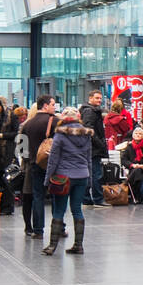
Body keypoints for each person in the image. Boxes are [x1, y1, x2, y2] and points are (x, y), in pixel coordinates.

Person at [42, 107, 93, 255]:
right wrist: (89, 178)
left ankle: (52, 246)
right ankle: (78, 245)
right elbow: (88, 158)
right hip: (82, 175)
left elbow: (53, 160)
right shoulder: (87, 134)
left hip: (63, 177)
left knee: (59, 210)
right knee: (77, 209)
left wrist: (47, 180)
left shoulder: (60, 134)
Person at [19, 96, 58, 238]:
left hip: (35, 164)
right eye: (53, 104)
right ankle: (58, 228)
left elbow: (21, 148)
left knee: (38, 197)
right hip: (53, 166)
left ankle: (38, 230)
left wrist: (29, 160)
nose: (55, 107)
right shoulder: (54, 121)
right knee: (56, 197)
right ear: (45, 106)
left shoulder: (27, 124)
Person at [79, 90, 108, 208]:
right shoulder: (90, 111)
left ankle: (87, 198)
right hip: (93, 148)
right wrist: (100, 143)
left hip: (91, 147)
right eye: (97, 98)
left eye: (100, 98)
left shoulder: (90, 110)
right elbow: (88, 129)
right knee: (96, 174)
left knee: (91, 173)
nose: (99, 100)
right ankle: (97, 198)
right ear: (90, 98)